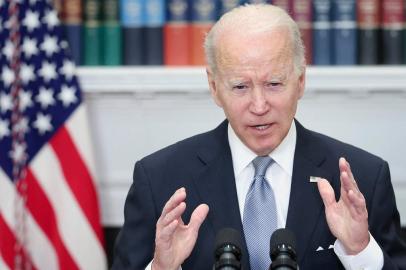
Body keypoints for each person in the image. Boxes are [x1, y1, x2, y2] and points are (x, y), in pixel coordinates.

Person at [111, 4, 406, 270]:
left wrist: (360, 251)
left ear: (300, 81)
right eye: (240, 87)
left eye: (274, 83)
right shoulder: (159, 180)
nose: (259, 106)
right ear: (214, 87)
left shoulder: (364, 178)